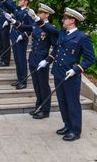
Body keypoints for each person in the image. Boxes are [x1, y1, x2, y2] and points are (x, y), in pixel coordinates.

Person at [36, 8, 96, 141]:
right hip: (58, 72)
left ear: (72, 20)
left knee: (72, 103)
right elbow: (57, 49)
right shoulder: (63, 33)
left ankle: (75, 130)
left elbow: (90, 59)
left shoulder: (82, 37)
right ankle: (67, 125)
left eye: (65, 18)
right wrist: (47, 61)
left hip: (71, 75)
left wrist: (77, 69)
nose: (62, 20)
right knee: (62, 102)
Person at [10, 3, 57, 119]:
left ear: (47, 15)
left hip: (42, 60)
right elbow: (26, 27)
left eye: (41, 13)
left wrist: (48, 60)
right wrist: (13, 21)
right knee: (36, 85)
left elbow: (56, 47)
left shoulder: (50, 28)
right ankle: (39, 105)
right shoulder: (36, 25)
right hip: (33, 59)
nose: (38, 14)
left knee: (43, 85)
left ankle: (45, 110)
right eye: (39, 12)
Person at [4, 0, 33, 90]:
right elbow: (8, 5)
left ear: (25, 2)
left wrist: (24, 35)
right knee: (17, 60)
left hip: (21, 38)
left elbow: (31, 27)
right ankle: (19, 79)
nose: (19, 1)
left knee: (21, 60)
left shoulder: (28, 12)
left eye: (21, 0)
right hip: (14, 36)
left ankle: (23, 81)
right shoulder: (17, 10)